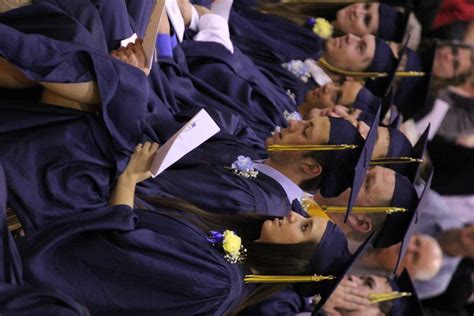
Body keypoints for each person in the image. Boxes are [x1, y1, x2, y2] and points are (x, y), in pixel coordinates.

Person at [12, 141, 352, 315]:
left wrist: (129, 180)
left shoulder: (219, 282)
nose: (293, 216)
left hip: (45, 273)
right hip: (63, 241)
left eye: (304, 227)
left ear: (298, 261)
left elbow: (122, 246)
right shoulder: (235, 261)